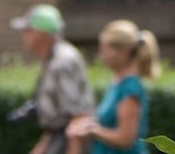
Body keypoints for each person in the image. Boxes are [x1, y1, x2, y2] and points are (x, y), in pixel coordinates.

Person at [11, 5, 93, 154]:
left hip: (69, 143)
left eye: (28, 30)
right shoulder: (51, 61)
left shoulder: (63, 62)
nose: (24, 36)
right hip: (58, 139)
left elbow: (78, 119)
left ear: (42, 33)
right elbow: (56, 121)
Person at [66, 20, 156, 154]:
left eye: (105, 50)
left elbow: (126, 139)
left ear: (123, 52)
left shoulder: (130, 88)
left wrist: (92, 130)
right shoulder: (117, 82)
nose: (102, 56)